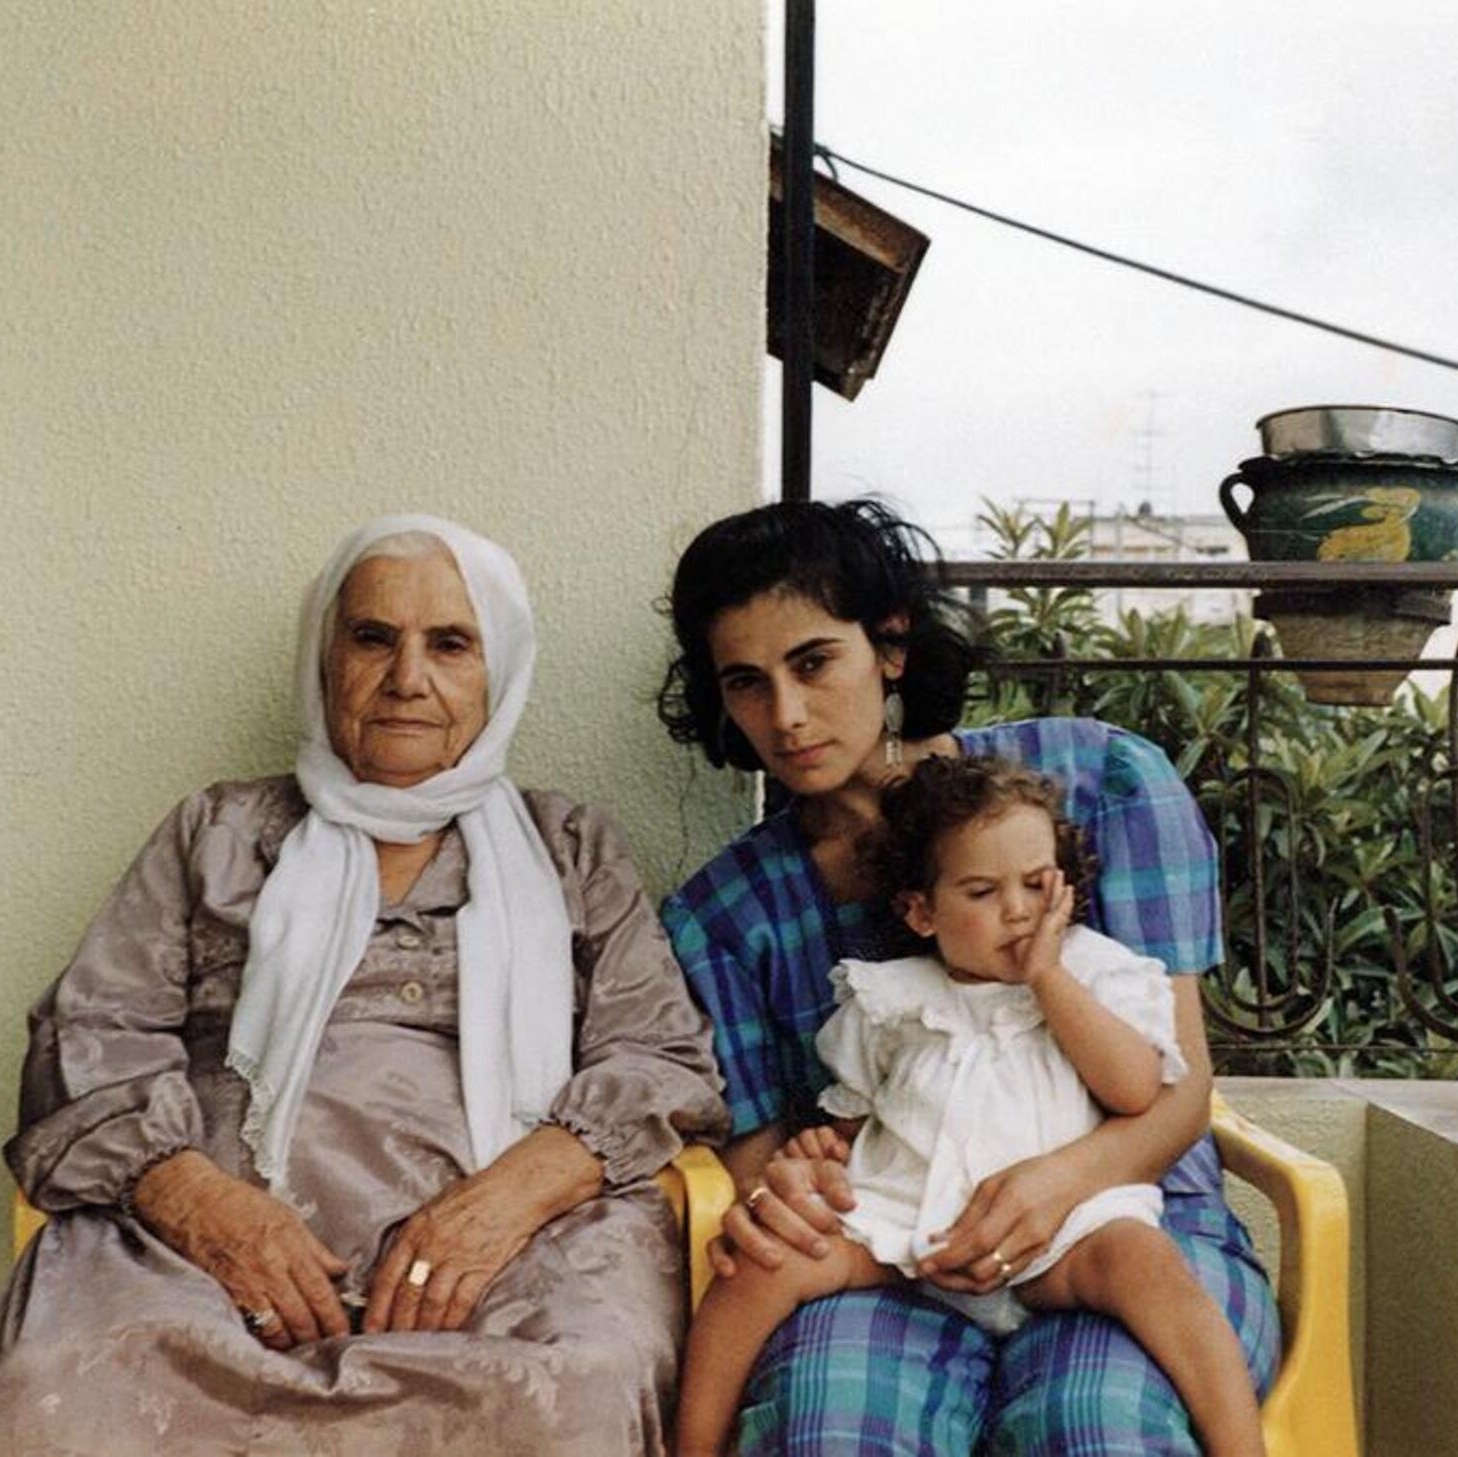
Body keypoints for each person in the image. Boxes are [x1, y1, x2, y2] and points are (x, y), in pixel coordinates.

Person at [1, 514, 727, 1457]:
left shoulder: (567, 848)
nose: (408, 678)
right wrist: (200, 1205)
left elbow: (659, 1056)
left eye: (450, 645)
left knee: (581, 1374)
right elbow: (87, 1032)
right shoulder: (217, 831)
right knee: (73, 1368)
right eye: (373, 638)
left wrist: (500, 1207)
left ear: (497, 669)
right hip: (208, 1253)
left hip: (513, 1249)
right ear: (325, 658)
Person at [657, 498, 1280, 1455]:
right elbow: (767, 1158)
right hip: (899, 1231)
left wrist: (1057, 1183)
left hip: (1129, 1210)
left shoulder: (1100, 785)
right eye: (746, 683)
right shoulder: (724, 916)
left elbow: (1177, 1089)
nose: (785, 715)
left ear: (891, 646)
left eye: (814, 662)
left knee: (1100, 1420)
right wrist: (796, 1176)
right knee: (829, 1422)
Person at [675, 754, 1264, 1457]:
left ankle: (1241, 1448)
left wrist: (1048, 978)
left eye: (1036, 885)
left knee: (1155, 1274)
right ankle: (693, 1444)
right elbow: (852, 1116)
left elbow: (1137, 1090)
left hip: (1066, 1234)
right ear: (921, 912)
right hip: (905, 1227)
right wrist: (818, 1153)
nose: (1017, 910)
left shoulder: (1095, 973)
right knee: (758, 1270)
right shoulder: (888, 998)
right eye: (982, 891)